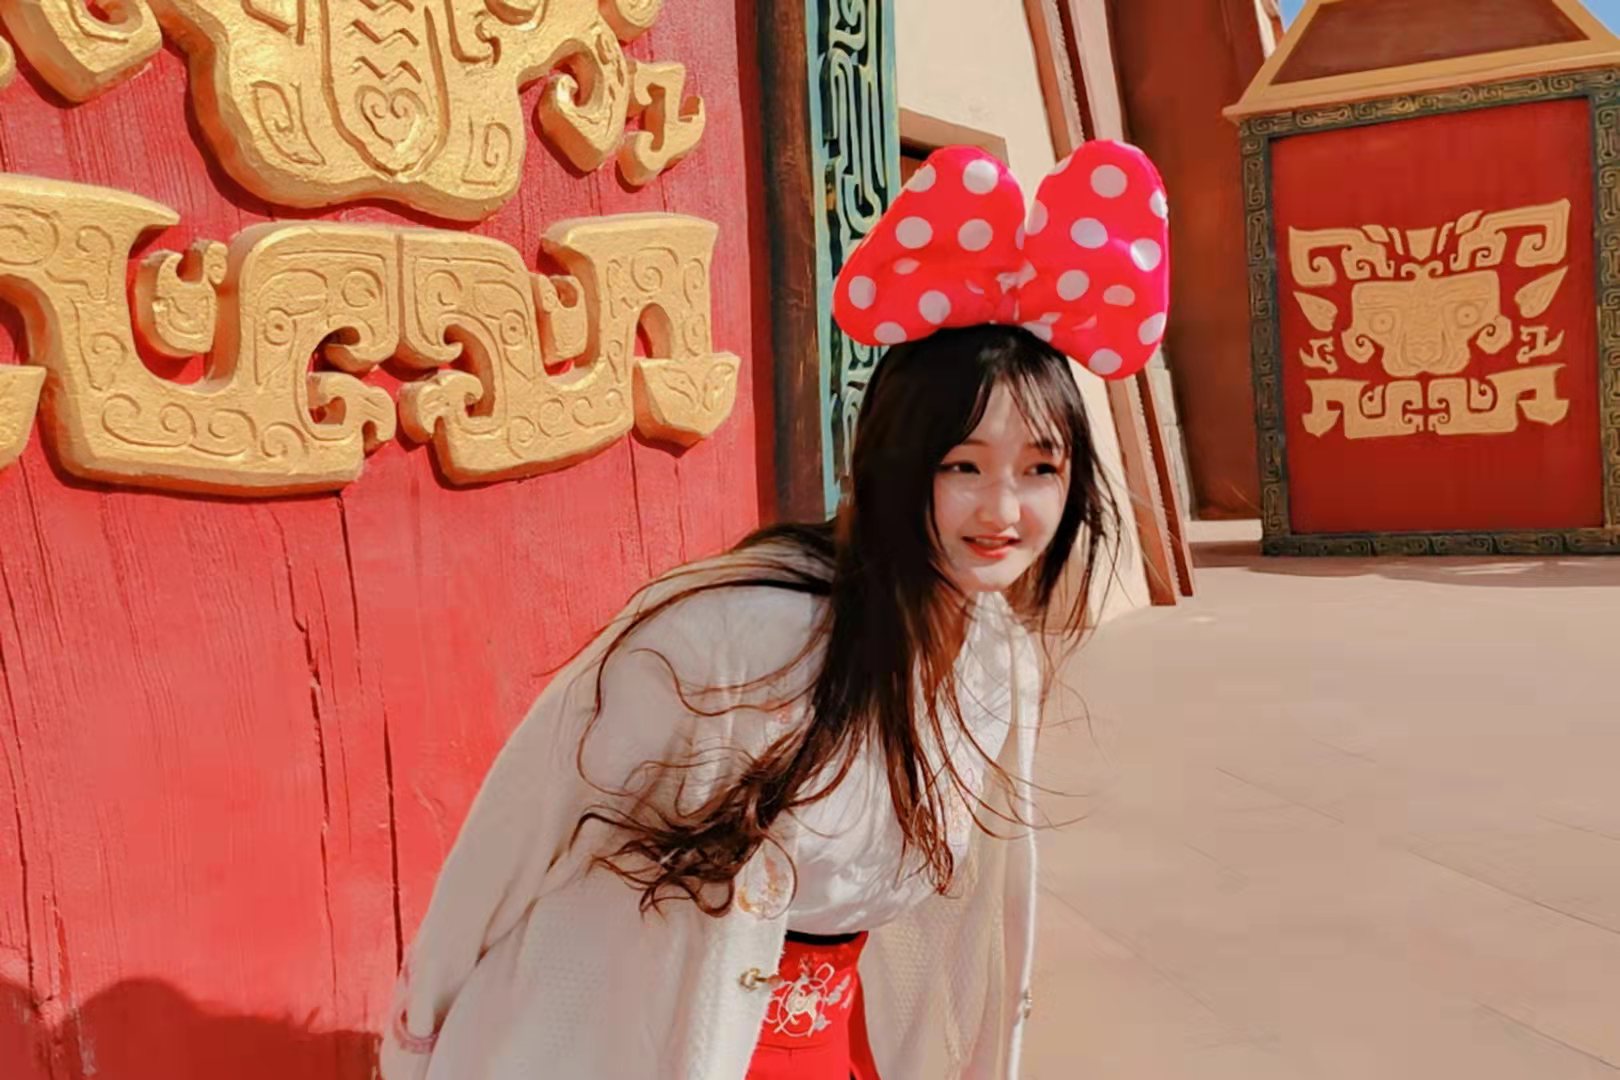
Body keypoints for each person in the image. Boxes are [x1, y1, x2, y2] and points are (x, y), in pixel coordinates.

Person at [379, 140, 1170, 1080]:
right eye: (962, 465)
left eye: (1040, 469)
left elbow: (962, 918)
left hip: (833, 1042)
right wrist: (418, 1034)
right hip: (643, 1031)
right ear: (892, 463)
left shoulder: (1000, 654)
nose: (1003, 510)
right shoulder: (733, 638)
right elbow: (523, 822)